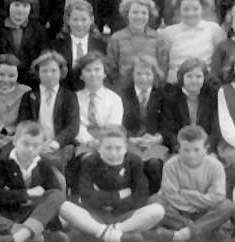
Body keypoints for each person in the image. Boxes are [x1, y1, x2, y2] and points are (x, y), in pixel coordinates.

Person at [60, 125, 165, 242]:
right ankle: (115, 235)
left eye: (118, 148)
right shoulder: (90, 162)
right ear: (99, 148)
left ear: (126, 148)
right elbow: (87, 196)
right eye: (108, 148)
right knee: (65, 207)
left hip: (125, 215)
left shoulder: (134, 161)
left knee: (157, 210)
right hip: (96, 214)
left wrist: (102, 196)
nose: (113, 153)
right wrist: (121, 194)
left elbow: (140, 196)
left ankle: (103, 232)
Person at [0, 121, 70, 242]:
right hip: (7, 214)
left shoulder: (44, 164)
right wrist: (27, 194)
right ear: (15, 142)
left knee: (56, 195)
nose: (30, 149)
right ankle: (40, 237)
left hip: (34, 213)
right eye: (26, 144)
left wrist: (38, 199)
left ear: (41, 146)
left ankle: (17, 238)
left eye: (36, 146)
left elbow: (54, 193)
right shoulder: (2, 162)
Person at [146, 125, 235, 242]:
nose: (191, 155)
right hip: (179, 212)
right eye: (186, 150)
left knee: (227, 206)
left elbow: (217, 196)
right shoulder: (170, 165)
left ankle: (182, 233)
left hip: (205, 211)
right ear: (179, 148)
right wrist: (196, 202)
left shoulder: (215, 166)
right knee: (154, 201)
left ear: (206, 148)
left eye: (196, 150)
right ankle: (204, 230)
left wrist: (190, 195)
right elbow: (171, 195)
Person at [18, 50, 80, 186]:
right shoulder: (29, 96)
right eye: (44, 71)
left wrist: (54, 143)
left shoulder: (69, 96)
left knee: (49, 163)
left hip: (60, 145)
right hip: (34, 144)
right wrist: (36, 144)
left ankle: (57, 194)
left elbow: (72, 127)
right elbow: (24, 124)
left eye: (53, 71)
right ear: (38, 72)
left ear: (61, 72)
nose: (49, 75)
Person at [0, 0, 48, 88]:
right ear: (8, 6)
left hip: (30, 84)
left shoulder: (39, 31)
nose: (20, 10)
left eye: (25, 6)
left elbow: (41, 60)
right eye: (16, 5)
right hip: (0, 83)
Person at [121, 55, 167, 194]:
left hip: (155, 143)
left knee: (154, 164)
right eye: (139, 73)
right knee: (132, 162)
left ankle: (152, 199)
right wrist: (129, 138)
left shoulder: (163, 95)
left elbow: (168, 123)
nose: (143, 78)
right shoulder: (122, 95)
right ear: (132, 75)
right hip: (130, 142)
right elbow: (118, 122)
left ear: (155, 75)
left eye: (148, 74)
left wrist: (158, 138)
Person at [160, 0, 226, 84]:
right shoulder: (168, 32)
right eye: (185, 9)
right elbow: (163, 64)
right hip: (175, 84)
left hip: (205, 83)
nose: (190, 13)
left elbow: (219, 61)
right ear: (179, 10)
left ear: (202, 9)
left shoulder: (214, 29)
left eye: (195, 9)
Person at [106, 0, 168, 88]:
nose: (139, 17)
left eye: (143, 13)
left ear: (149, 15)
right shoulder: (116, 39)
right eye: (135, 12)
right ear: (127, 14)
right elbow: (111, 69)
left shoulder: (158, 39)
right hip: (123, 91)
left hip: (152, 92)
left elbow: (163, 69)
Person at [72, 52, 124, 159]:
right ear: (81, 75)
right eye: (88, 70)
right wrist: (89, 141)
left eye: (97, 70)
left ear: (104, 73)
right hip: (83, 143)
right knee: (87, 159)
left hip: (109, 143)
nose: (93, 74)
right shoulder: (73, 99)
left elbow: (114, 125)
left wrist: (102, 142)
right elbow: (76, 125)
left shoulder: (114, 99)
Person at [160, 58, 217, 154]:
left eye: (198, 76)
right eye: (189, 76)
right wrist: (182, 148)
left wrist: (205, 147)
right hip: (179, 148)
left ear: (205, 78)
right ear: (182, 77)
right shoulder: (171, 97)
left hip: (205, 148)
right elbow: (167, 130)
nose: (194, 81)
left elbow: (215, 129)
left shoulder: (212, 96)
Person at [50, 0, 107, 91]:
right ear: (68, 20)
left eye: (84, 20)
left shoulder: (102, 46)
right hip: (65, 93)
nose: (79, 24)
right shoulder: (56, 45)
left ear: (91, 20)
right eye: (75, 19)